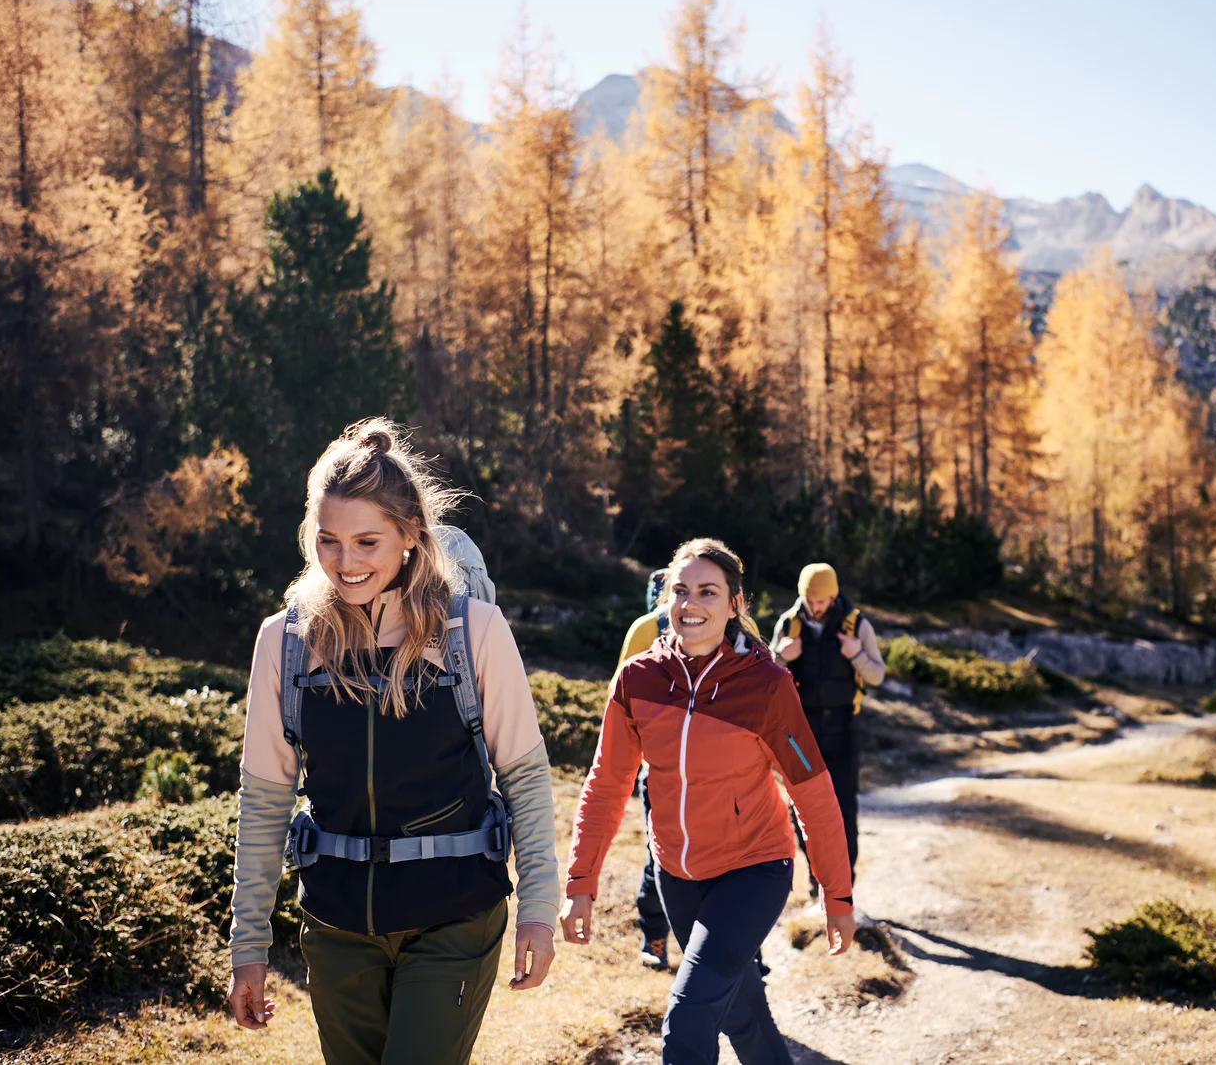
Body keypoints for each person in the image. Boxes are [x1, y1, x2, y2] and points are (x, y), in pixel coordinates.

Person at [226, 419, 560, 1065]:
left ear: (410, 536)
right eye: (328, 541)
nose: (346, 562)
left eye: (367, 541)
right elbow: (264, 801)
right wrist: (249, 947)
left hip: (455, 911)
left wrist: (539, 911)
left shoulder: (474, 630)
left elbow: (524, 777)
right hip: (334, 920)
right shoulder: (286, 640)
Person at [560, 538, 855, 1065]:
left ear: (734, 604)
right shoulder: (638, 679)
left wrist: (837, 894)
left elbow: (812, 793)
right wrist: (581, 883)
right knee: (741, 1013)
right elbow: (606, 782)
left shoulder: (766, 686)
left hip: (754, 869)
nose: (690, 604)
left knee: (689, 1016)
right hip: (677, 873)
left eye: (707, 592)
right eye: (681, 590)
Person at [771, 563, 884, 883]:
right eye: (808, 599)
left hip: (844, 729)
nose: (814, 607)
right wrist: (781, 656)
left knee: (843, 805)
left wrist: (857, 654)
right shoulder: (789, 623)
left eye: (820, 601)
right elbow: (767, 675)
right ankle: (815, 878)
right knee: (802, 807)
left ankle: (844, 878)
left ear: (833, 597)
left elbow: (877, 674)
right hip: (800, 730)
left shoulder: (857, 625)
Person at [614, 568, 673, 970]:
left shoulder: (734, 625)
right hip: (659, 768)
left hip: (725, 774)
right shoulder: (645, 630)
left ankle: (743, 952)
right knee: (660, 854)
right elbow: (619, 702)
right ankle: (654, 939)